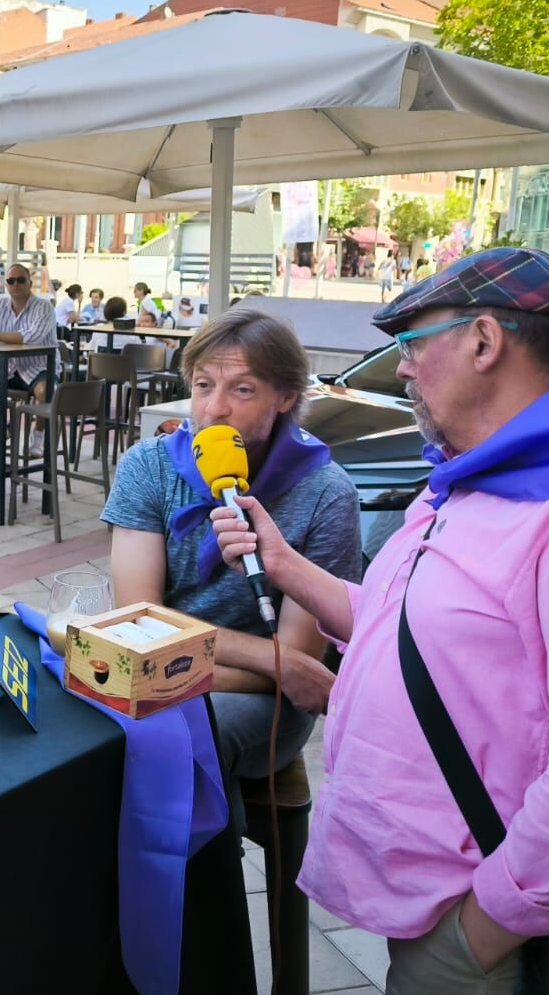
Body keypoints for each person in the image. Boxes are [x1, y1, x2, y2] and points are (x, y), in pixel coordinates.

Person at [211, 248, 549, 995]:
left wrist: (480, 932)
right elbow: (399, 627)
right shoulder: (484, 472)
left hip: (502, 940)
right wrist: (283, 563)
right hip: (442, 909)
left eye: (414, 344)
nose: (404, 368)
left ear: (484, 341)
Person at [104, 307, 361, 833]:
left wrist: (166, 670)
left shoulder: (327, 494)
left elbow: (297, 659)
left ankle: (203, 897)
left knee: (188, 737)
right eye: (203, 385)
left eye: (242, 390)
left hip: (254, 699)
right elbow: (138, 618)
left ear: (285, 397)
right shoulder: (147, 467)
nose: (215, 409)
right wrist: (267, 662)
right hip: (184, 669)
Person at [0, 262, 58, 406]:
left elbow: (32, 338)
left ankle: (39, 429)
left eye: (21, 280)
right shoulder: (0, 305)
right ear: (6, 285)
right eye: (11, 281)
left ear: (30, 283)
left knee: (44, 392)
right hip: (6, 368)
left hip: (39, 368)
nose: (15, 284)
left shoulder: (44, 307)